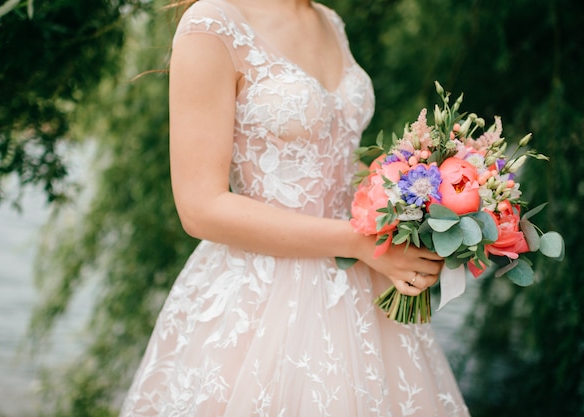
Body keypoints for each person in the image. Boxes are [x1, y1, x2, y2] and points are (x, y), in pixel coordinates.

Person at [119, 0, 470, 415]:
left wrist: (418, 204)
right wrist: (360, 242)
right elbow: (201, 207)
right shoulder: (211, 25)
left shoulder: (328, 20)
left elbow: (334, 158)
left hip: (362, 280)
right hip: (263, 292)